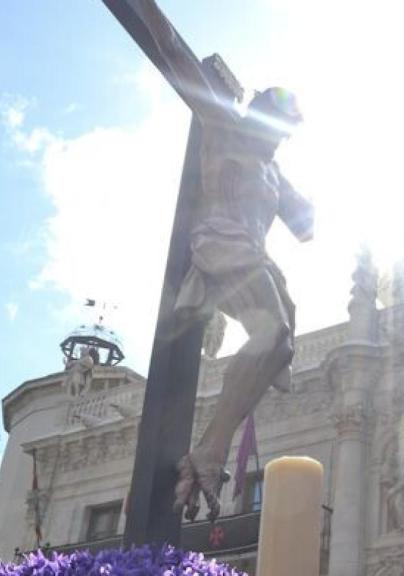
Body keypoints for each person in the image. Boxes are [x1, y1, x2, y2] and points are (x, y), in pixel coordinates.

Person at [139, 0, 314, 522]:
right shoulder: (224, 125)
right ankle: (211, 450)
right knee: (271, 329)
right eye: (276, 120)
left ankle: (216, 439)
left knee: (282, 337)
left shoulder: (274, 171)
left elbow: (306, 225)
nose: (279, 133)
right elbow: (171, 49)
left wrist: (306, 213)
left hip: (253, 256)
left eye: (286, 127)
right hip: (220, 243)